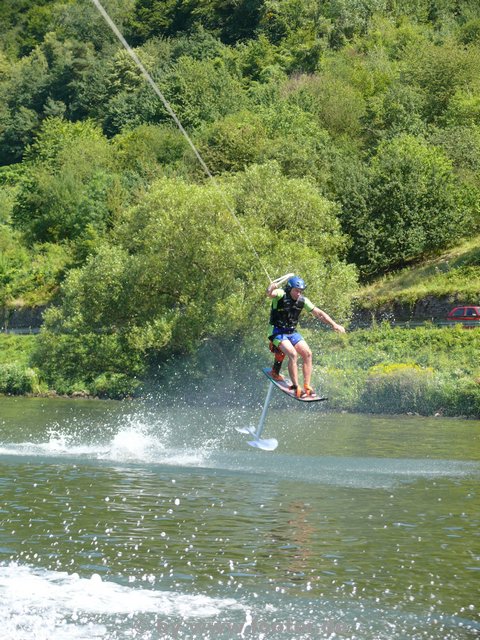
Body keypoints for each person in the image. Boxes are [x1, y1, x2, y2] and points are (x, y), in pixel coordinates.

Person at [266, 275, 345, 398]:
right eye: (296, 290)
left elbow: (319, 313)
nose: (298, 293)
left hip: (291, 332)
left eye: (300, 291)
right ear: (290, 289)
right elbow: (270, 294)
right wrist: (270, 288)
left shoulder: (303, 300)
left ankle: (307, 386)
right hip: (276, 331)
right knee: (292, 354)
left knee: (307, 353)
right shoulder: (281, 294)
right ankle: (296, 387)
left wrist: (334, 325)